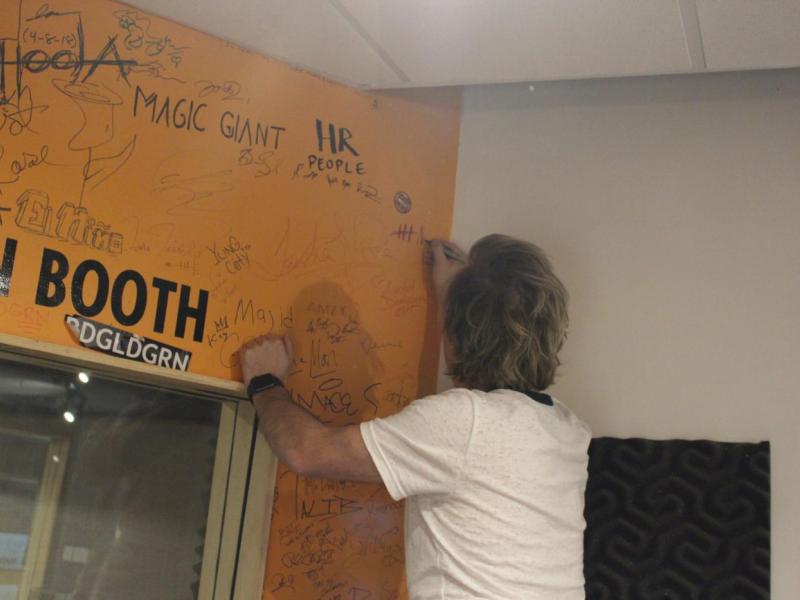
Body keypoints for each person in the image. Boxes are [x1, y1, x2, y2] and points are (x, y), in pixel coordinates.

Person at [240, 234, 591, 599]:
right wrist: (453, 298)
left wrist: (265, 383)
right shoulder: (567, 429)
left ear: (453, 334)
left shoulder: (464, 422)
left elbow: (306, 451)